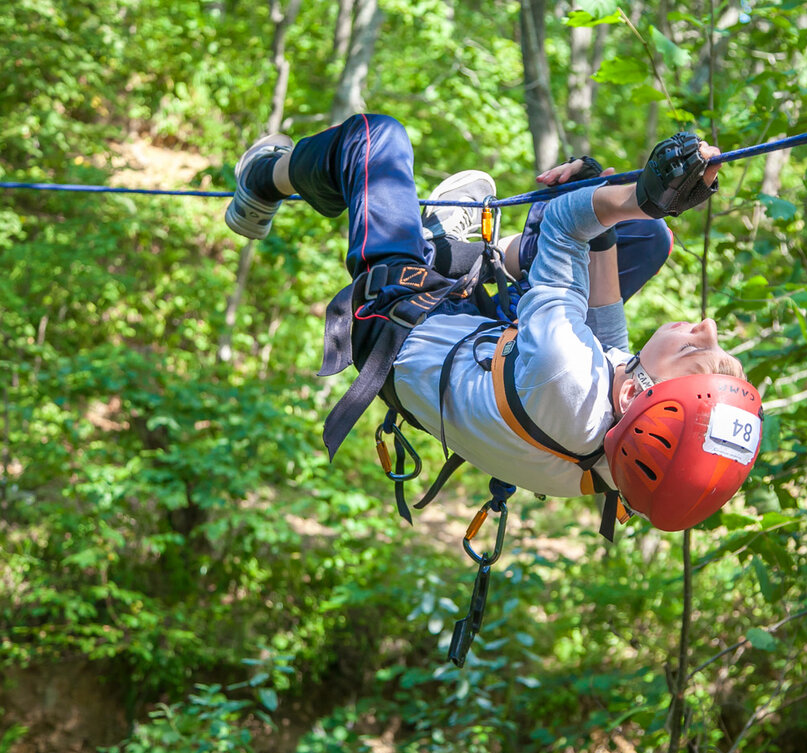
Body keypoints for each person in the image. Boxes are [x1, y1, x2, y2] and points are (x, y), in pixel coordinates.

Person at [224, 114, 762, 532]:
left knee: (373, 139)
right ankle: (480, 256)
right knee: (646, 237)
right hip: (486, 343)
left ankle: (262, 183)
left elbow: (565, 224)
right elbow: (607, 328)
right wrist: (614, 205)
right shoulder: (615, 442)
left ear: (637, 399)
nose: (707, 326)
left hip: (399, 317)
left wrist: (642, 195)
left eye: (699, 355)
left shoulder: (567, 376)